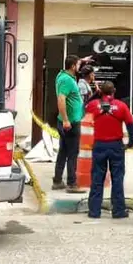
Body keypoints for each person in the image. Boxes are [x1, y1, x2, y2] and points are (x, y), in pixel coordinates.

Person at [84, 81, 133, 219]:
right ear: (114, 91)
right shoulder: (121, 106)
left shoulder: (94, 105)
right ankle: (118, 210)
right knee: (117, 178)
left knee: (97, 178)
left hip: (99, 145)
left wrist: (96, 93)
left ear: (102, 91)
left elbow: (84, 106)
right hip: (116, 146)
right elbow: (131, 125)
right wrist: (130, 142)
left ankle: (94, 211)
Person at [53, 54, 88, 193]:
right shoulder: (67, 80)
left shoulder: (62, 76)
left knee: (63, 152)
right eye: (78, 65)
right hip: (70, 123)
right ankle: (72, 183)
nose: (80, 67)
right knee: (73, 153)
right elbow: (61, 100)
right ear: (73, 66)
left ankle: (57, 180)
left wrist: (82, 60)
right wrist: (66, 119)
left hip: (66, 121)